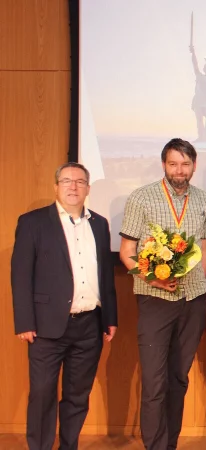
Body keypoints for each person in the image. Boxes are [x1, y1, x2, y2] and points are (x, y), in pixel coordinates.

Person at [11, 162, 118, 450]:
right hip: (46, 326)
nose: (73, 186)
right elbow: (21, 276)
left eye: (80, 181)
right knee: (43, 393)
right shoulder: (33, 222)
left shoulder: (100, 224)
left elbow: (105, 274)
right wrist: (25, 322)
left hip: (89, 325)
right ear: (56, 186)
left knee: (77, 395)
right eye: (67, 181)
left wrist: (110, 317)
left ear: (88, 188)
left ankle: (68, 446)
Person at [119, 138, 206, 450]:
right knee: (155, 383)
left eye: (185, 164)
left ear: (194, 166)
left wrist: (201, 289)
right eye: (173, 164)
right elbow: (127, 251)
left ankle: (169, 444)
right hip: (154, 299)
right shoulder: (141, 198)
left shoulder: (203, 200)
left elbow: (203, 250)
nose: (179, 170)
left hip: (193, 302)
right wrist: (154, 278)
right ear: (164, 164)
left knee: (179, 379)